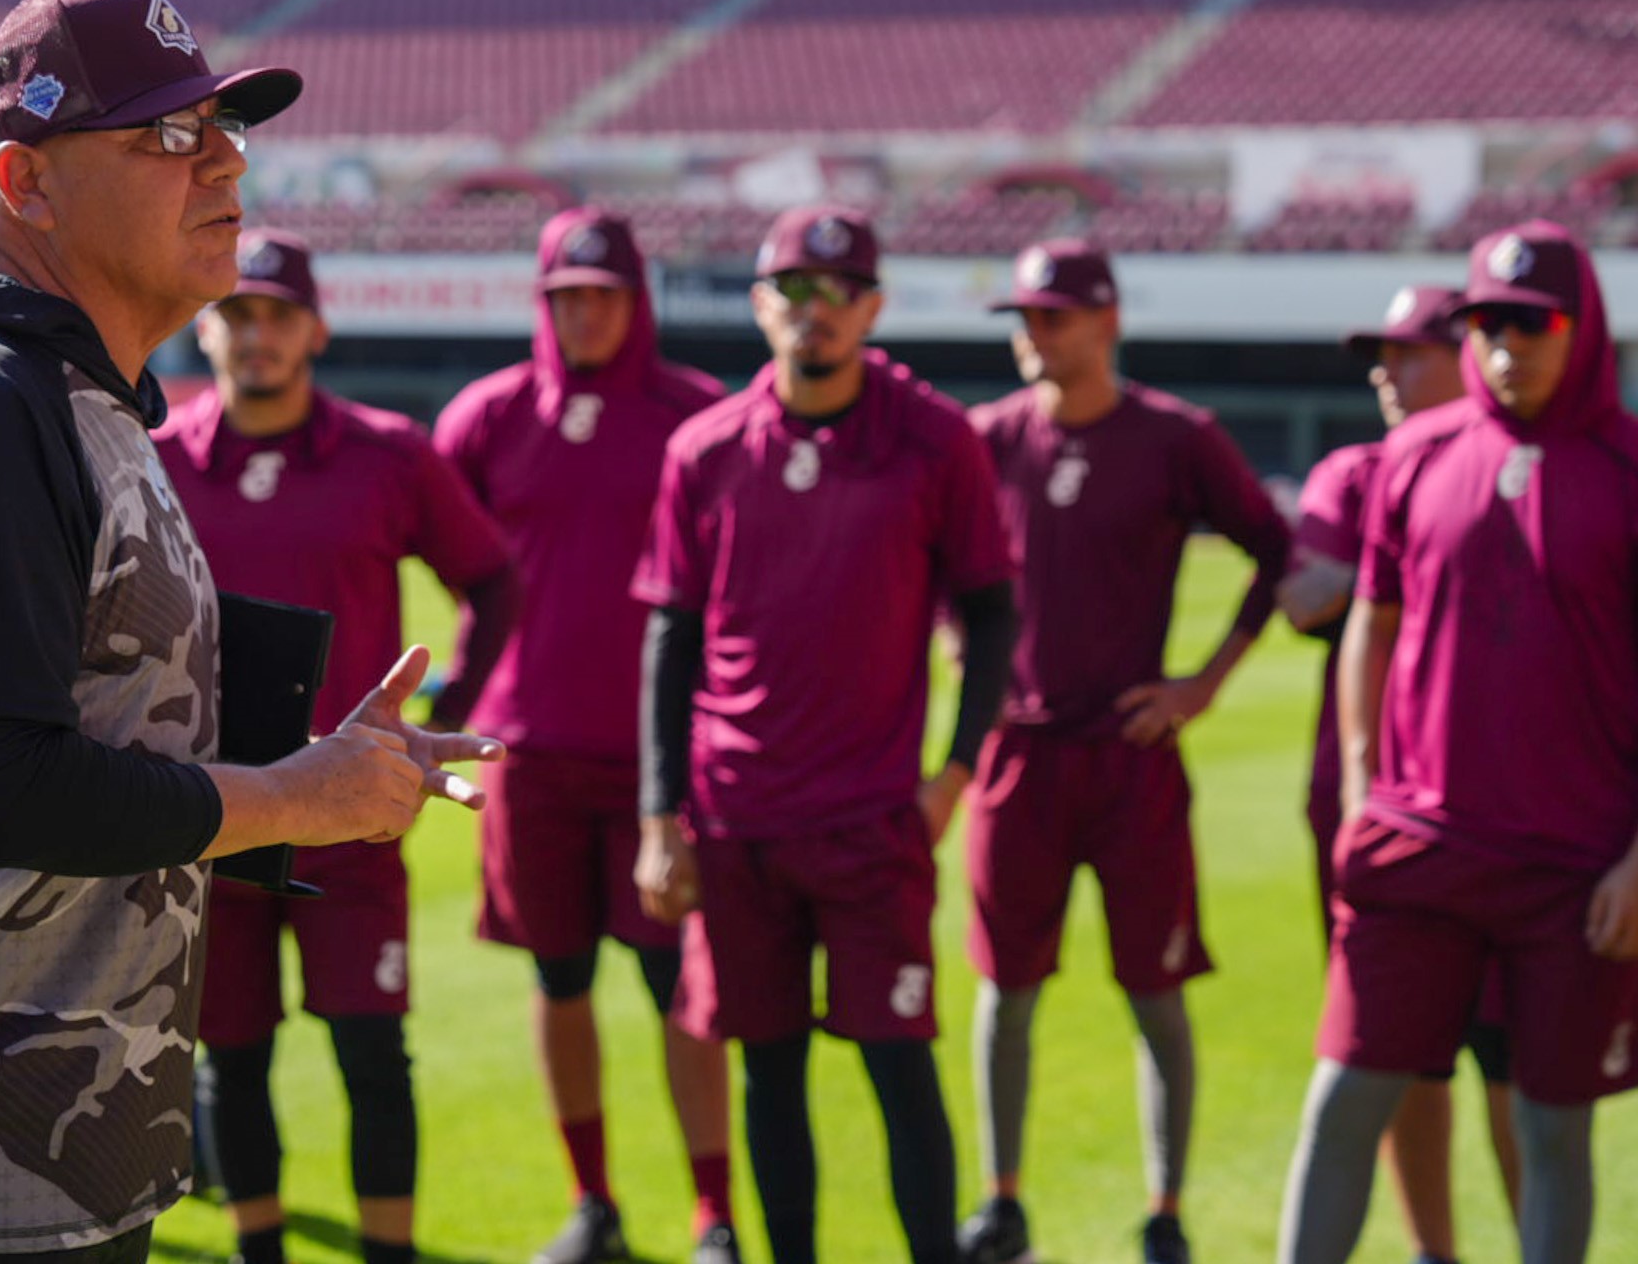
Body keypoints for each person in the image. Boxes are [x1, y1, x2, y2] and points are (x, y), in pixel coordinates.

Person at [0, 0, 500, 1262]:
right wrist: (296, 797)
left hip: (12, 1161)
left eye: (226, 130)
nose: (225, 161)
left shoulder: (68, 394)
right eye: (167, 138)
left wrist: (316, 762)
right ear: (23, 182)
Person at [631, 205, 1018, 1264]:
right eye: (793, 291)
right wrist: (659, 818)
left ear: (873, 307)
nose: (815, 311)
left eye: (838, 291)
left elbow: (990, 609)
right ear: (761, 305)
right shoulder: (704, 449)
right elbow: (668, 636)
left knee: (897, 1063)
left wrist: (953, 772)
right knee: (769, 1064)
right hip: (735, 815)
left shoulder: (936, 440)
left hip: (869, 822)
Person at [154, 227, 520, 1264]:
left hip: (355, 813)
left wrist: (438, 705)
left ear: (313, 328)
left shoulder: (389, 454)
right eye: (235, 313)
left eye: (275, 315)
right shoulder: (158, 458)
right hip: (215, 807)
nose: (254, 334)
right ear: (207, 325)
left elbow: (492, 579)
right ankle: (261, 1251)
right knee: (231, 1057)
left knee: (371, 1051)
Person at [1278, 223, 1638, 1264]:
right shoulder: (1417, 457)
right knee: (1342, 1099)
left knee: (1551, 1132)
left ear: (1582, 328)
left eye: (1529, 323)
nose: (1504, 346)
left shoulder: (1625, 471)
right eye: (1484, 324)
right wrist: (1356, 784)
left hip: (1572, 869)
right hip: (1416, 845)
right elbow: (1371, 624)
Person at [962, 238, 1292, 1264]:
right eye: (1022, 318)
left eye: (1051, 317)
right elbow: (935, 561)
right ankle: (1002, 1202)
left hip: (1128, 757)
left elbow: (1272, 551)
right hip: (1016, 755)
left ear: (1104, 323)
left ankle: (1163, 1210)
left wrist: (1202, 682)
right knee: (1002, 992)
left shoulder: (1172, 438)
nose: (1033, 334)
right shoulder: (983, 439)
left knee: (1153, 994)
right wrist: (955, 648)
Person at [432, 207, 738, 1264]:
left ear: (637, 299)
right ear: (543, 300)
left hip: (661, 762)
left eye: (604, 295)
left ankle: (714, 1216)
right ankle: (593, 1206)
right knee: (557, 980)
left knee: (679, 989)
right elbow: (445, 549)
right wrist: (473, 681)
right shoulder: (488, 416)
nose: (587, 314)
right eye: (567, 297)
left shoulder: (697, 419)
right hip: (530, 757)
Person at [1277, 286, 1520, 1264]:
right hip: (1365, 809)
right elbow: (1304, 597)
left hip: (1501, 810)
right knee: (1393, 1056)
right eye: (1378, 355)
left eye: (1407, 352)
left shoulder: (1521, 470)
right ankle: (1435, 1254)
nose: (1385, 372)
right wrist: (1431, 555)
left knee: (1514, 1067)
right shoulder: (1354, 471)